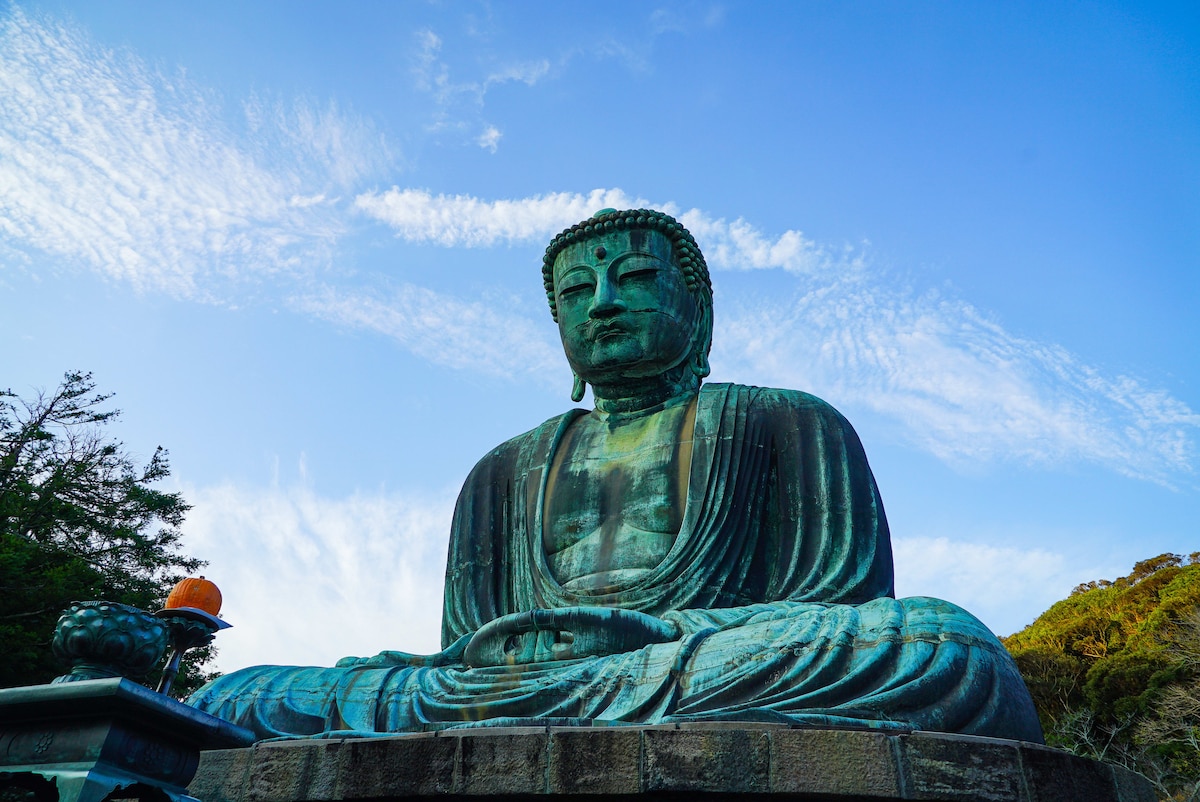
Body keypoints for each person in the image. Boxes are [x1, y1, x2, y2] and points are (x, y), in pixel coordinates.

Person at [189, 209, 1043, 743]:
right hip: (507, 690)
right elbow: (468, 649)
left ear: (696, 307)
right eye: (575, 291)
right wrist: (506, 661)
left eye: (634, 277)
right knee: (235, 697)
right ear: (558, 320)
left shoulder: (788, 421)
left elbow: (841, 605)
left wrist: (646, 638)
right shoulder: (501, 469)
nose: (601, 300)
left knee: (939, 645)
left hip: (696, 663)